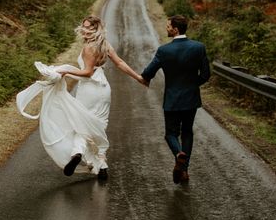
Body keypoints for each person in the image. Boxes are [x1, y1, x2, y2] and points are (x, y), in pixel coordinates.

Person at [17, 15, 146, 180]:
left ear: (95, 29)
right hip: (104, 90)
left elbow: (87, 72)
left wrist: (65, 71)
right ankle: (102, 165)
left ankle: (77, 152)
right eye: (83, 27)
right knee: (98, 125)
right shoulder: (104, 45)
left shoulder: (88, 48)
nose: (84, 30)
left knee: (81, 125)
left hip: (89, 89)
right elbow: (119, 62)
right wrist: (139, 77)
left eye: (88, 28)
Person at [141, 14, 210, 184]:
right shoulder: (199, 47)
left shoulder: (164, 50)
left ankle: (179, 154)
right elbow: (206, 75)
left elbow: (148, 73)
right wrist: (193, 86)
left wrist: (144, 78)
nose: (167, 28)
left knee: (171, 134)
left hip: (172, 100)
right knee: (187, 132)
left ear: (176, 29)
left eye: (168, 26)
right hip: (191, 99)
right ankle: (184, 170)